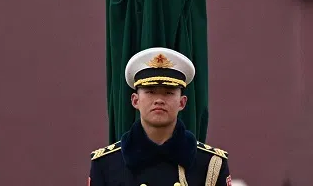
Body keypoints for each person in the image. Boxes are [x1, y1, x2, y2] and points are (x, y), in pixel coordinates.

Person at [89, 47, 232, 186]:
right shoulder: (106, 164)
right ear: (135, 100)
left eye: (168, 93)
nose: (159, 100)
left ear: (182, 102)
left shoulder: (210, 164)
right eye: (150, 92)